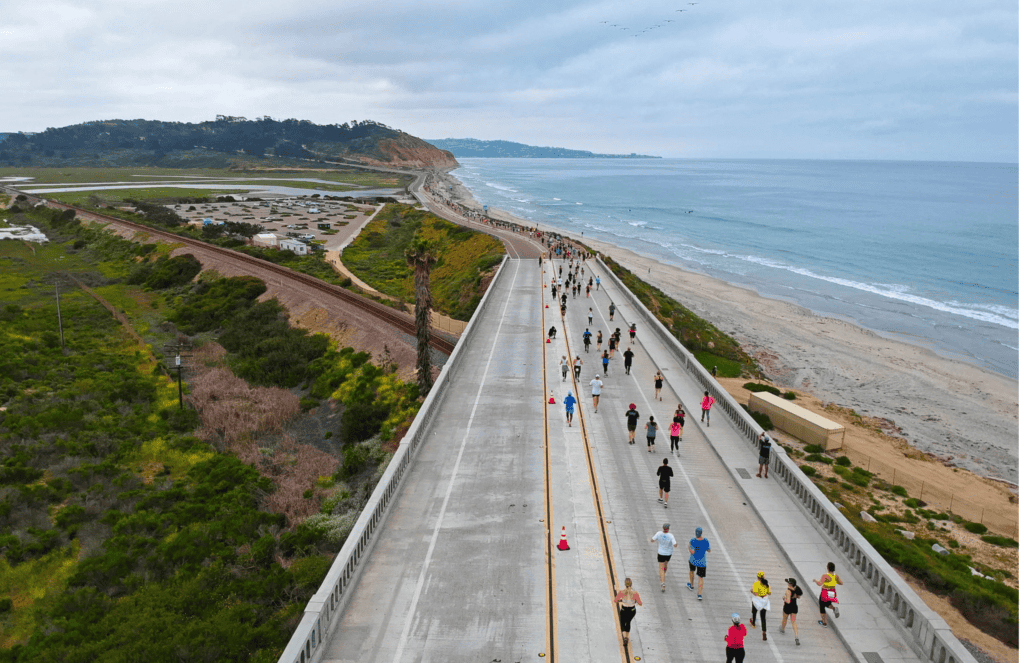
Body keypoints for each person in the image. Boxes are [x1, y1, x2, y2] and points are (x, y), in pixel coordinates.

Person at [614, 578, 643, 647]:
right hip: (632, 610)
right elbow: (640, 603)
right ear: (631, 584)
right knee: (628, 622)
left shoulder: (622, 592)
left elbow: (615, 600)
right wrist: (635, 601)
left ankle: (625, 638)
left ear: (625, 584)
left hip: (624, 610)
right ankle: (627, 636)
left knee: (622, 623)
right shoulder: (635, 593)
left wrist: (621, 600)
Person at [650, 523, 677, 592]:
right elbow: (675, 545)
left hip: (661, 553)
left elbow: (652, 540)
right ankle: (663, 576)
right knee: (666, 564)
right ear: (668, 529)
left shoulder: (659, 533)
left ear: (663, 528)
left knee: (661, 568)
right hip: (668, 554)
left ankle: (662, 582)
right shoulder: (671, 536)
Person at [814, 561, 843, 626]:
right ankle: (834, 609)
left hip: (825, 592)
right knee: (827, 604)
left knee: (822, 605)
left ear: (827, 568)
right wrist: (834, 582)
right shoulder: (836, 576)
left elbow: (819, 584)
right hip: (832, 592)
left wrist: (815, 581)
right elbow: (841, 583)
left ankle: (824, 623)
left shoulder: (825, 576)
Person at [779, 577, 803, 645]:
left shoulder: (788, 590)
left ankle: (782, 629)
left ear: (790, 584)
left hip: (787, 607)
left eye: (788, 582)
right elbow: (798, 597)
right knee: (793, 622)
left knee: (785, 618)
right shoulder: (796, 589)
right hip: (794, 607)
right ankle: (796, 636)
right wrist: (793, 597)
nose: (787, 583)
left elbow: (788, 601)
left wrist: (784, 598)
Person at [687, 526, 710, 600]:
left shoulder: (693, 540)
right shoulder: (706, 540)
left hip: (693, 560)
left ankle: (691, 585)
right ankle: (699, 594)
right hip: (702, 562)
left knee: (691, 571)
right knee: (701, 578)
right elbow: (709, 550)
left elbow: (692, 552)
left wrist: (689, 547)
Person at [750, 571, 772, 641]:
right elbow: (769, 593)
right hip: (764, 600)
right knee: (763, 617)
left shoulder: (756, 583)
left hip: (758, 599)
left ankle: (753, 623)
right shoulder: (767, 583)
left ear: (758, 577)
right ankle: (764, 632)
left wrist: (751, 591)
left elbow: (755, 593)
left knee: (754, 610)